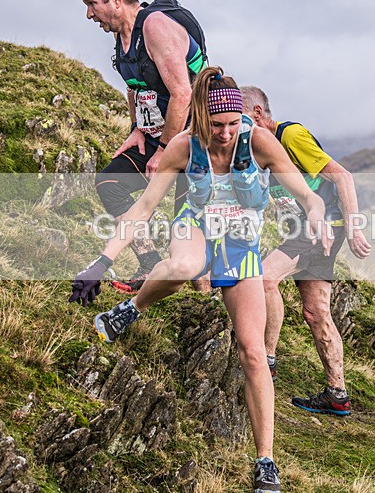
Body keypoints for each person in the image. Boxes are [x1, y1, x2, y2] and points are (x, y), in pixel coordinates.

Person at [69, 67, 331, 493]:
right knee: (181, 268)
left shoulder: (258, 140)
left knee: (252, 353)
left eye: (233, 124)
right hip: (195, 225)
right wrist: (102, 262)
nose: (226, 134)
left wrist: (317, 211)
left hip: (240, 242)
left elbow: (308, 193)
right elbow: (143, 209)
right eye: (217, 126)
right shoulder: (182, 147)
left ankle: (266, 462)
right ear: (201, 119)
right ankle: (130, 310)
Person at [240, 86, 372, 415]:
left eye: (243, 119)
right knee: (316, 312)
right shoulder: (260, 149)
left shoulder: (290, 135)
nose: (238, 129)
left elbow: (342, 177)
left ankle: (267, 363)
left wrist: (354, 229)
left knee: (265, 278)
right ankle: (337, 393)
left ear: (258, 114)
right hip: (311, 228)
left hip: (320, 227)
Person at [81, 0, 205, 293]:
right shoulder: (122, 38)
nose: (89, 14)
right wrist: (137, 126)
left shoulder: (155, 26)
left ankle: (207, 305)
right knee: (109, 182)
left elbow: (183, 93)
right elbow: (134, 86)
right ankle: (150, 264)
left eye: (92, 3)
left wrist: (164, 152)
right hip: (160, 133)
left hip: (197, 137)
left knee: (187, 229)